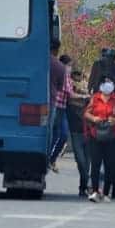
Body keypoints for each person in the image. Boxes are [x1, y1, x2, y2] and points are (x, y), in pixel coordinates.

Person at [84, 76, 115, 202]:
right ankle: (96, 191)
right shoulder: (95, 98)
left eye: (110, 82)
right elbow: (86, 113)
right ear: (101, 85)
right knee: (95, 164)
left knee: (110, 165)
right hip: (95, 135)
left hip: (111, 136)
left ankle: (106, 192)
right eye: (105, 82)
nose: (108, 85)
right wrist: (94, 119)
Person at [67, 69, 90, 198]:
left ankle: (83, 187)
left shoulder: (88, 101)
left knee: (87, 163)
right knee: (81, 162)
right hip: (76, 133)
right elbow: (70, 99)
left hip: (88, 134)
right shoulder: (71, 102)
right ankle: (87, 184)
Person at [47, 40, 67, 173]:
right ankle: (47, 157)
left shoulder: (37, 59)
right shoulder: (60, 66)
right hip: (51, 101)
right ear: (57, 50)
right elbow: (60, 87)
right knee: (51, 131)